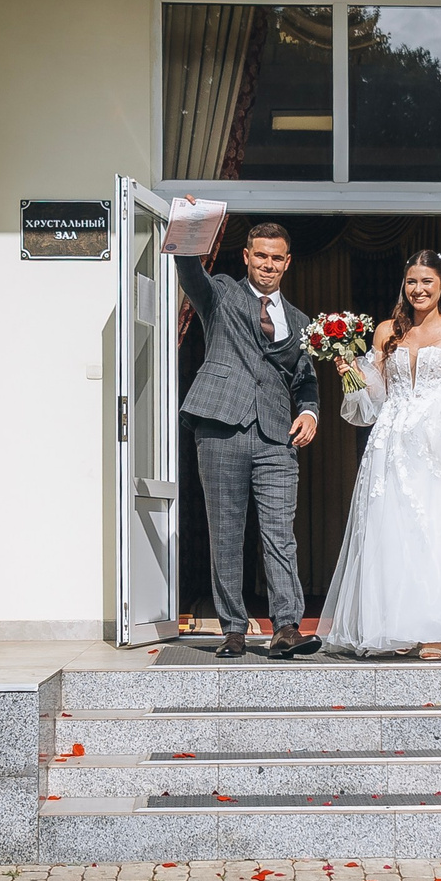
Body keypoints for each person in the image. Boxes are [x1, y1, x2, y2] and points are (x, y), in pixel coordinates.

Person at [324, 251, 441, 658]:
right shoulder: (385, 332)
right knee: (390, 532)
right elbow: (375, 396)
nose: (418, 289)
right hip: (390, 440)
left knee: (434, 532)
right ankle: (399, 626)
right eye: (412, 281)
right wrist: (353, 375)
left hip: (435, 445)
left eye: (427, 281)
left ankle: (433, 631)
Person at [174, 220, 321, 659]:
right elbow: (189, 272)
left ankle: (286, 627)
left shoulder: (299, 321)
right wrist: (189, 224)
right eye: (261, 255)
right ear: (246, 256)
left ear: (287, 262)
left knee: (280, 533)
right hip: (220, 426)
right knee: (226, 532)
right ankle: (234, 629)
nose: (268, 265)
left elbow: (305, 379)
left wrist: (310, 410)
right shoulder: (220, 294)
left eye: (277, 257)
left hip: (277, 436)